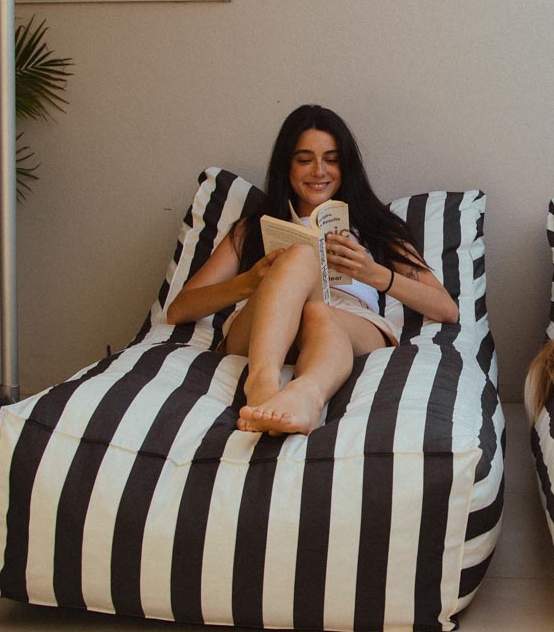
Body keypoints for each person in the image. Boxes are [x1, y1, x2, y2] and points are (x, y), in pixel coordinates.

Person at [166, 105, 459, 435]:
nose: (319, 171)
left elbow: (446, 309)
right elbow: (179, 310)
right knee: (301, 257)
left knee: (319, 311)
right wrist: (249, 283)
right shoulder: (251, 228)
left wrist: (374, 274)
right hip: (264, 329)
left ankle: (306, 397)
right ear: (287, 167)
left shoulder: (376, 226)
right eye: (304, 159)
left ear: (345, 166)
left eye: (331, 159)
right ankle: (262, 385)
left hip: (349, 325)